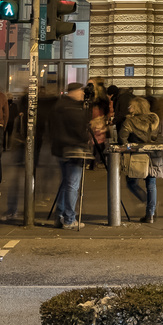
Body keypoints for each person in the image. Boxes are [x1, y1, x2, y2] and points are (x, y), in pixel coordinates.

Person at [48, 81, 92, 229]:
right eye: (80, 91)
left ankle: (59, 216)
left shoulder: (59, 106)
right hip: (74, 149)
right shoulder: (74, 109)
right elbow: (81, 130)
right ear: (73, 92)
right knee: (72, 185)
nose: (82, 94)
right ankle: (69, 219)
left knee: (65, 184)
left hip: (61, 149)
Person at [122, 95, 163, 224]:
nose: (129, 108)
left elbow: (122, 138)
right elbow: (158, 136)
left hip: (138, 156)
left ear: (137, 108)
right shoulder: (155, 119)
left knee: (131, 182)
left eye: (131, 106)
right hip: (154, 154)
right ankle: (150, 213)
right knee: (151, 184)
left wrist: (127, 149)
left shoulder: (129, 122)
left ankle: (146, 200)